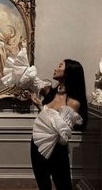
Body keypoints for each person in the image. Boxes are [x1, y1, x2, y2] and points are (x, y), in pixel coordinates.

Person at [30, 59, 88, 190]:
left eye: (60, 66)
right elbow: (31, 81)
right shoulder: (50, 92)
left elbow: (60, 130)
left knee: (64, 186)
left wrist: (40, 107)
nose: (55, 68)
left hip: (57, 150)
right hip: (37, 145)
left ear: (68, 72)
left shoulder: (73, 102)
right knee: (43, 186)